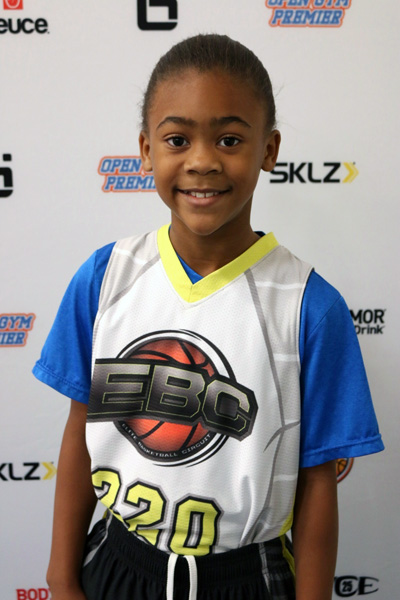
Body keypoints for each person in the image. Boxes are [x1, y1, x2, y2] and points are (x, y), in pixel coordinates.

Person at [33, 34, 383, 600]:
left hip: (248, 577)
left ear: (268, 149)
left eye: (229, 139)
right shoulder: (105, 277)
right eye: (177, 139)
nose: (201, 161)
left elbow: (319, 481)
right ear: (146, 149)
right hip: (118, 565)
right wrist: (61, 576)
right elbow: (81, 429)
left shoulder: (310, 306)